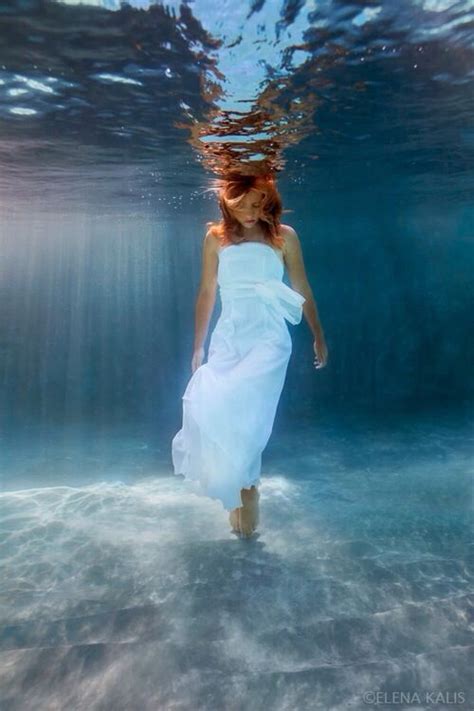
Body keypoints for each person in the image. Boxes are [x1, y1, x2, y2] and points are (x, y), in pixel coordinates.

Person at [171, 173, 328, 537]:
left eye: (258, 203)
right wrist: (198, 344)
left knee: (249, 420)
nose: (251, 212)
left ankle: (244, 490)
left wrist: (318, 334)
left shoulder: (284, 236)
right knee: (221, 410)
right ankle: (242, 494)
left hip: (270, 339)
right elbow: (207, 292)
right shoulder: (215, 237)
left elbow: (302, 287)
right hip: (230, 337)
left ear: (268, 199)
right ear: (227, 201)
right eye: (242, 205)